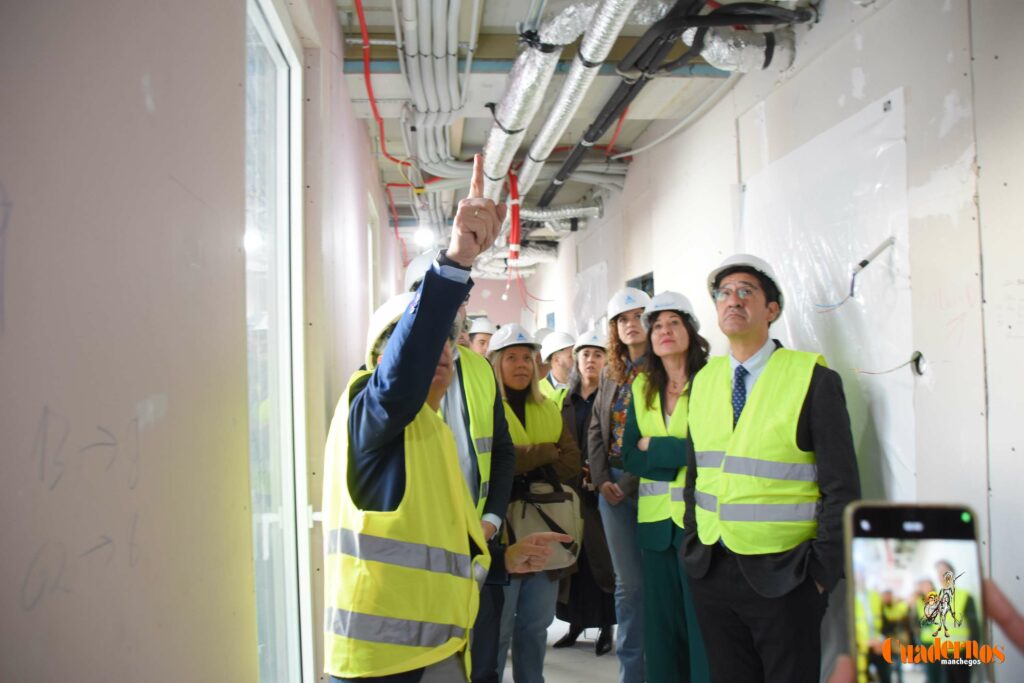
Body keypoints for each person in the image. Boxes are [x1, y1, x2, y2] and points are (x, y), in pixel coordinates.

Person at [321, 154, 569, 682]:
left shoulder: (433, 430)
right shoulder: (372, 410)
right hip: (381, 662)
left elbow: (439, 543)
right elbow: (402, 373)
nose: (442, 352)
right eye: (421, 341)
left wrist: (502, 559)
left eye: (448, 344)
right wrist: (457, 259)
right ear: (385, 355)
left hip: (440, 644)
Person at [682, 254, 861, 683]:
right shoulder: (704, 380)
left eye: (746, 291)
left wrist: (821, 575)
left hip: (787, 576)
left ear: (772, 310)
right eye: (723, 293)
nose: (732, 300)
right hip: (711, 567)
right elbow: (696, 475)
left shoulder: (812, 379)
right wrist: (692, 542)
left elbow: (842, 487)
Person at [404, 250, 516, 683]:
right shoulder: (389, 371)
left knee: (482, 662)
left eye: (459, 298)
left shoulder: (481, 370)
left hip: (477, 544)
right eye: (438, 297)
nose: (452, 309)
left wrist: (489, 519)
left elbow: (502, 451)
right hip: (419, 550)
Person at [621, 292, 710, 683]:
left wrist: (656, 448)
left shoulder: (713, 380)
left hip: (701, 524)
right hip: (656, 526)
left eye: (674, 322)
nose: (664, 331)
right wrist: (677, 453)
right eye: (656, 325)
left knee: (702, 625)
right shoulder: (641, 387)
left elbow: (710, 451)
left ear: (690, 330)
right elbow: (629, 457)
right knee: (661, 629)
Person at [489, 323, 581, 683]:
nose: (521, 364)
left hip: (545, 526)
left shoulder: (547, 406)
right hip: (504, 529)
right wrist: (544, 452)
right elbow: (498, 462)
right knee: (497, 628)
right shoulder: (485, 408)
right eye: (511, 357)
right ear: (495, 364)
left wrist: (520, 459)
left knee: (535, 625)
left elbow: (571, 462)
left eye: (527, 357)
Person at [588, 287, 652, 683]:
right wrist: (600, 480)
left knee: (654, 584)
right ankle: (632, 674)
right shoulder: (612, 372)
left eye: (638, 316)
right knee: (628, 587)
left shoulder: (663, 368)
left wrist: (628, 482)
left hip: (648, 486)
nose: (631, 325)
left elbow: (661, 433)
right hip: (610, 490)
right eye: (622, 320)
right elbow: (596, 428)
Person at [553, 329, 617, 656]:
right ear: (576, 360)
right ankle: (575, 624)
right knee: (573, 560)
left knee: (602, 559)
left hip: (600, 489)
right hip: (571, 489)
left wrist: (601, 470)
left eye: (597, 354)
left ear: (606, 360)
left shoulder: (611, 395)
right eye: (585, 354)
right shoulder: (566, 397)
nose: (591, 360)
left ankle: (606, 625)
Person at [828, 579, 1024, 683]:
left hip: (941, 646)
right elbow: (907, 618)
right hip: (899, 643)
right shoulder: (908, 603)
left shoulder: (935, 600)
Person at [539, 331, 576, 409]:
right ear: (556, 360)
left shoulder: (582, 387)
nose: (576, 360)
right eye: (571, 356)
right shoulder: (537, 391)